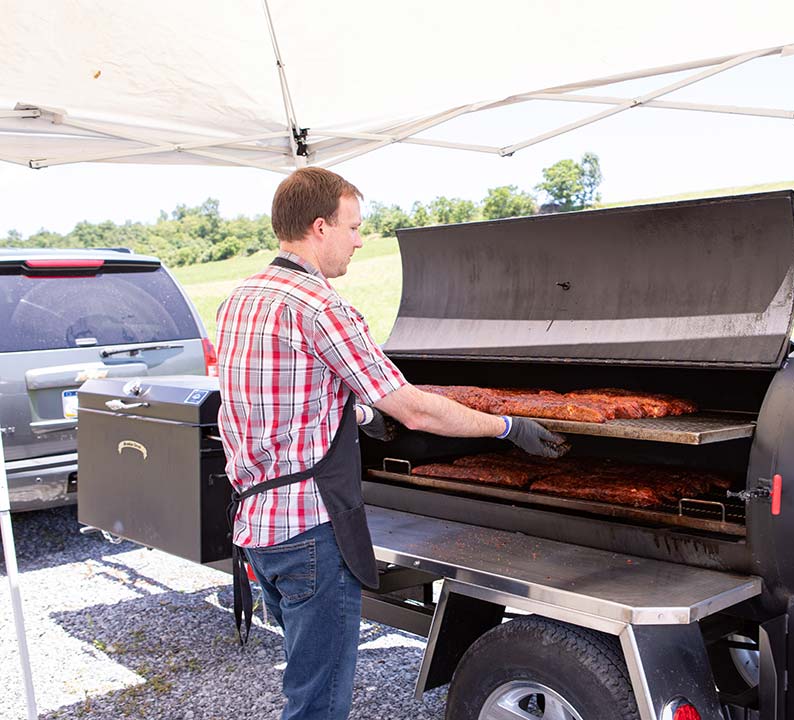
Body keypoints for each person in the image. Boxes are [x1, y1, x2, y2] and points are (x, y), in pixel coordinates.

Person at [215, 166, 568, 720]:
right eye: (354, 227)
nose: (359, 240)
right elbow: (413, 406)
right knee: (318, 703)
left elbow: (277, 398)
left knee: (304, 677)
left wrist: (352, 413)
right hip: (310, 530)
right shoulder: (320, 306)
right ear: (319, 227)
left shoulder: (242, 298)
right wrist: (507, 427)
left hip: (258, 526)